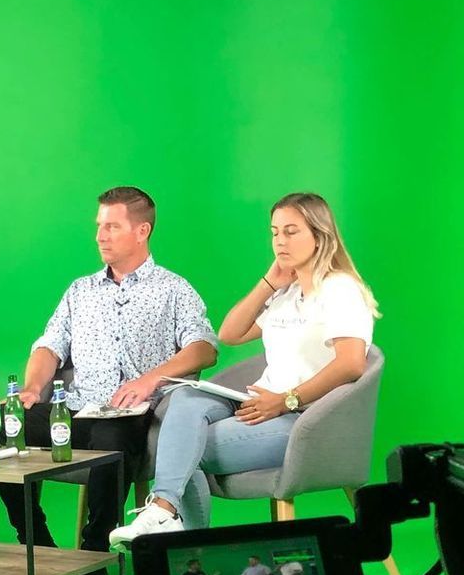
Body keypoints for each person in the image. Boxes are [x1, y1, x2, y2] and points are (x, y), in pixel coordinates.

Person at [109, 192, 379, 545]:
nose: (280, 241)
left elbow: (351, 364)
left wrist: (286, 401)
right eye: (275, 232)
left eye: (292, 231)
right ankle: (167, 517)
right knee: (186, 400)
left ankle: (180, 538)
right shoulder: (288, 293)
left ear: (320, 234)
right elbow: (230, 333)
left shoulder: (340, 290)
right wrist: (269, 283)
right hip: (254, 403)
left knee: (179, 448)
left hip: (305, 420)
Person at [0, 186, 218, 575]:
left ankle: (92, 553)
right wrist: (32, 387)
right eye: (99, 226)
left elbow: (204, 348)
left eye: (112, 227)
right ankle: (37, 543)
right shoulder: (80, 291)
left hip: (130, 418)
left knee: (109, 441)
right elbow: (49, 345)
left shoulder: (173, 289)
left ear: (142, 231)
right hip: (76, 409)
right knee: (1, 427)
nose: (100, 235)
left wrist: (151, 378)